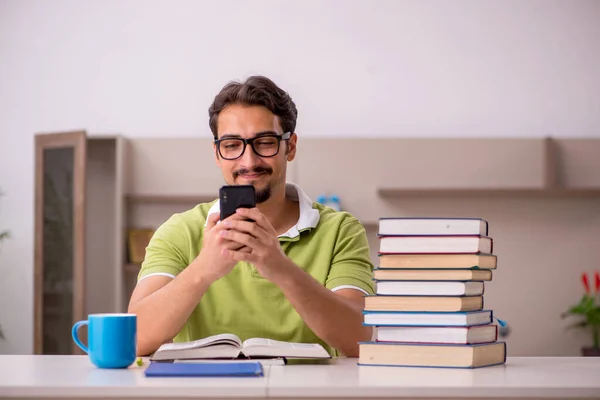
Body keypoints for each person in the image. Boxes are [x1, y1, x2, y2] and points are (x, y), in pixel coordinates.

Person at [128, 75, 375, 357]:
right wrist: (203, 269)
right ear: (217, 153)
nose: (249, 162)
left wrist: (279, 267)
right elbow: (134, 340)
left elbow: (359, 340)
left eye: (265, 142)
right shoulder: (179, 231)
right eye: (232, 145)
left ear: (289, 147)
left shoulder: (341, 231)